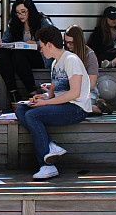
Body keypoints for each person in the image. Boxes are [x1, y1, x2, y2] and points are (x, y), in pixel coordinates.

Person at [15, 25, 92, 179]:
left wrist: (45, 104)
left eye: (42, 46)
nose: (41, 50)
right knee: (21, 110)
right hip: (63, 104)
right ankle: (50, 145)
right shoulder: (55, 63)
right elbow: (53, 93)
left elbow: (74, 93)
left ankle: (47, 166)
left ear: (49, 44)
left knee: (32, 116)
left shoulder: (71, 60)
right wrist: (43, 98)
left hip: (77, 108)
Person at [0, 0, 53, 101]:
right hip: (20, 59)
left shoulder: (42, 21)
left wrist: (35, 43)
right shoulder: (14, 22)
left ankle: (32, 93)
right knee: (1, 53)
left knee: (18, 55)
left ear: (30, 10)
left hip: (40, 56)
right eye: (18, 12)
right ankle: (13, 93)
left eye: (23, 11)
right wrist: (1, 43)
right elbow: (7, 40)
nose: (20, 15)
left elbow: (53, 40)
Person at [63, 25, 112, 115]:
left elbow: (91, 85)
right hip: (69, 91)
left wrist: (73, 92)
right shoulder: (66, 54)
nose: (68, 45)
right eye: (66, 42)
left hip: (86, 93)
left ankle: (96, 108)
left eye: (71, 43)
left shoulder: (90, 55)